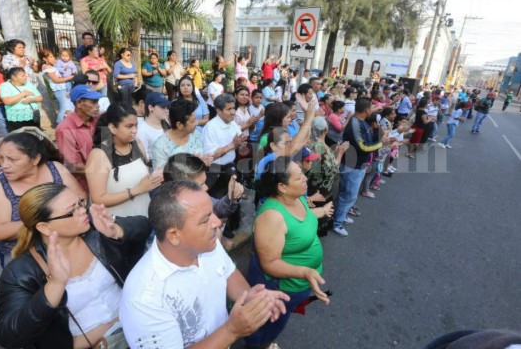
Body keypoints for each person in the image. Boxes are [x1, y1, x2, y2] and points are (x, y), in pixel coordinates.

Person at [120, 180, 289, 349]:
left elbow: (227, 272)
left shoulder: (206, 244)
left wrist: (251, 296)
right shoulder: (143, 299)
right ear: (173, 235)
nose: (217, 223)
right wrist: (231, 331)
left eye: (212, 213)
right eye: (205, 219)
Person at [0, 182, 150, 348]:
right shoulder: (21, 271)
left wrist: (116, 231)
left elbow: (145, 226)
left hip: (139, 328)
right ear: (44, 227)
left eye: (81, 203)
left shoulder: (94, 230)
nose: (83, 211)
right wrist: (54, 286)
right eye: (72, 211)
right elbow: (9, 336)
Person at [245, 157, 329, 348]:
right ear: (282, 187)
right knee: (270, 322)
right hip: (280, 286)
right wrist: (305, 272)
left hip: (297, 284)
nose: (305, 178)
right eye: (299, 177)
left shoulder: (297, 197)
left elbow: (301, 221)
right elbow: (270, 263)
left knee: (280, 317)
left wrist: (322, 211)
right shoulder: (272, 217)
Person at [0, 131, 84, 268]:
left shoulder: (56, 169)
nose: (4, 165)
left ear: (35, 159)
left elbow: (81, 201)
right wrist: (47, 220)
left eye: (13, 159)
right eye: (2, 158)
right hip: (24, 260)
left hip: (68, 247)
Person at [86, 103, 162, 219]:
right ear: (112, 128)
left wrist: (155, 178)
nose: (135, 130)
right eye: (129, 126)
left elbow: (144, 180)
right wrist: (136, 190)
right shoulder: (98, 155)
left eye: (136, 125)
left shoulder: (137, 144)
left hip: (145, 218)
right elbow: (98, 199)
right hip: (117, 226)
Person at [333, 97, 390, 237]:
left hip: (357, 164)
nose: (372, 110)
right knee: (348, 195)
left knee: (348, 194)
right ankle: (337, 223)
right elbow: (363, 147)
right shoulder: (356, 125)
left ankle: (342, 216)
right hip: (352, 165)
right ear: (366, 110)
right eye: (371, 108)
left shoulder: (359, 121)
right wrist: (382, 143)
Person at [56, 83, 102, 192]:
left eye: (97, 102)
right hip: (86, 187)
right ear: (79, 103)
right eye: (93, 102)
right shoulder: (65, 129)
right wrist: (102, 178)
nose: (98, 105)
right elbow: (74, 166)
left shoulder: (96, 119)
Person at [202, 93, 246, 199]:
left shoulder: (233, 124)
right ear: (218, 110)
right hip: (215, 173)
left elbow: (239, 147)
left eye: (234, 108)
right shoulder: (210, 128)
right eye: (229, 109)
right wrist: (232, 145)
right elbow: (210, 156)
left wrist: (241, 145)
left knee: (234, 199)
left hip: (231, 168)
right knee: (218, 204)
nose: (233, 112)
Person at [151, 99, 206, 170]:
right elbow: (163, 177)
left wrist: (204, 162)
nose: (196, 123)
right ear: (179, 125)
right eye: (193, 121)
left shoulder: (197, 135)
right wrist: (192, 164)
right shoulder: (160, 146)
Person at [0, 67, 43, 131]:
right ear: (13, 77)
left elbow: (40, 97)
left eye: (25, 75)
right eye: (23, 76)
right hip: (17, 118)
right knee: (20, 138)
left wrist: (31, 100)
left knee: (34, 137)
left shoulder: (28, 84)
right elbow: (7, 101)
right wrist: (23, 94)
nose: (25, 77)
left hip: (33, 115)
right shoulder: (5, 86)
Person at [39, 49, 74, 124]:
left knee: (68, 106)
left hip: (62, 87)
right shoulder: (47, 68)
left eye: (53, 56)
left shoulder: (51, 66)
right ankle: (59, 123)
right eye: (51, 57)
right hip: (59, 89)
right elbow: (56, 80)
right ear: (45, 59)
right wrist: (69, 78)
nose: (53, 58)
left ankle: (69, 123)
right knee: (63, 107)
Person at [136, 92, 170, 162]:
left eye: (167, 107)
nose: (167, 110)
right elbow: (144, 157)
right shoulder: (142, 130)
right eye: (163, 107)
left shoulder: (166, 123)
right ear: (151, 108)